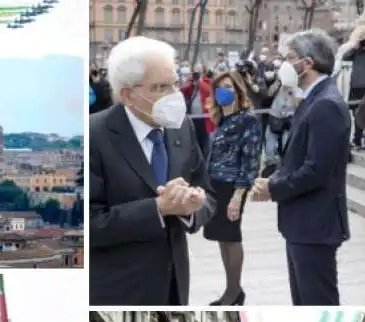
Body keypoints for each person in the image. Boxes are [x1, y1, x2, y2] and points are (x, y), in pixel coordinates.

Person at [89, 35, 216, 306]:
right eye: (160, 87)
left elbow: (207, 191)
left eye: (174, 84)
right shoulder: (92, 135)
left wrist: (193, 207)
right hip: (117, 291)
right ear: (127, 94)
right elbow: (87, 223)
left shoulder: (181, 127)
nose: (173, 95)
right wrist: (157, 208)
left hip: (174, 286)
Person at [250, 30, 350, 306]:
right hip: (303, 224)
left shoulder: (326, 104)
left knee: (317, 302)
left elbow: (317, 169)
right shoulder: (312, 100)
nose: (283, 64)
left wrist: (274, 188)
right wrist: (273, 177)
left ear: (307, 63)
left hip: (315, 225)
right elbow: (298, 156)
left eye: (289, 58)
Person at [201, 70, 263, 306]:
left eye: (228, 86)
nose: (223, 91)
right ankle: (232, 289)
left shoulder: (247, 119)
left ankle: (234, 291)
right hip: (215, 184)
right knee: (222, 237)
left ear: (238, 91)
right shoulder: (223, 119)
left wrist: (239, 195)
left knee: (231, 236)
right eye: (219, 87)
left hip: (231, 185)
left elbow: (250, 159)